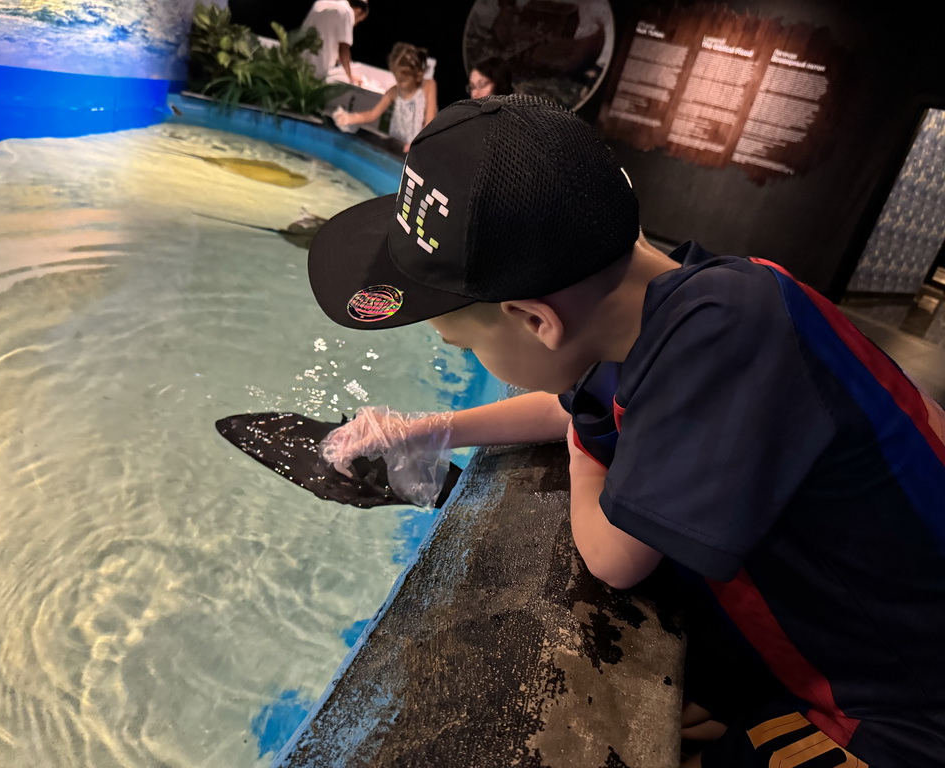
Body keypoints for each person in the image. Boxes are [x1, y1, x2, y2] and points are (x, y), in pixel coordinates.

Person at [306, 95, 945, 766]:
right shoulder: (700, 301)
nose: (472, 359)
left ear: (535, 321)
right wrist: (428, 428)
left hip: (904, 710)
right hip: (851, 661)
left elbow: (615, 555)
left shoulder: (730, 342)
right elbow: (578, 402)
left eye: (463, 346)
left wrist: (585, 451)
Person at [334, 42, 437, 153]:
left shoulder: (428, 86)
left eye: (402, 80)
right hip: (396, 144)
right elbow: (372, 114)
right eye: (396, 79)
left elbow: (430, 120)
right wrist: (351, 118)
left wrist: (417, 142)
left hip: (418, 145)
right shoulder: (393, 91)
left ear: (417, 75)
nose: (399, 84)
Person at [300, 0, 369, 84]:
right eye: (359, 20)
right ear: (359, 10)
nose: (355, 24)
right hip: (316, 69)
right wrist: (350, 77)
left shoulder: (321, 3)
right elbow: (343, 50)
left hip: (298, 60)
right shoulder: (346, 12)